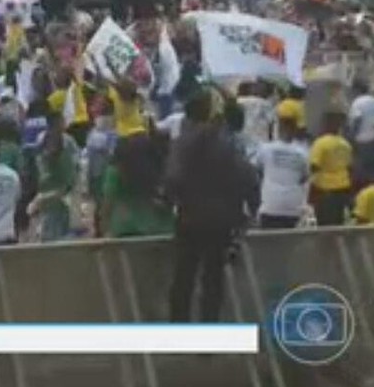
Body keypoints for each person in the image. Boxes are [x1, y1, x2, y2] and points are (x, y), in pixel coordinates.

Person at [165, 90, 257, 323]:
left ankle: (178, 329)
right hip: (221, 222)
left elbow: (173, 179)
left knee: (183, 277)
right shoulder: (227, 144)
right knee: (213, 281)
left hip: (189, 218)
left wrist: (174, 201)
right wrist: (250, 209)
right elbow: (246, 176)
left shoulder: (183, 143)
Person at [99, 133, 172, 238]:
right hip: (161, 232)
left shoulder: (116, 171)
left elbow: (107, 204)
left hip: (125, 230)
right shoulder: (162, 168)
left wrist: (104, 232)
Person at [254, 111, 311, 229]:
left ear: (278, 128)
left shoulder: (265, 149)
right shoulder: (303, 153)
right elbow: (304, 178)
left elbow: (257, 172)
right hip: (293, 209)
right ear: (295, 130)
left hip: (270, 207)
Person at [29, 111, 79, 242]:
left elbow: (68, 186)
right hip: (44, 209)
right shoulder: (42, 154)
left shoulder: (64, 158)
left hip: (60, 208)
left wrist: (42, 199)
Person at [309, 110, 353, 227]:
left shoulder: (320, 143)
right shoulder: (345, 143)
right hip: (343, 188)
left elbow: (314, 166)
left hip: (326, 189)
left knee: (325, 225)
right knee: (338, 224)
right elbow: (349, 166)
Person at [348, 79, 374, 188]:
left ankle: (363, 192)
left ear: (357, 90)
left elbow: (357, 119)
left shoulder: (358, 102)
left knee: (361, 168)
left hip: (363, 139)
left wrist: (351, 137)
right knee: (373, 168)